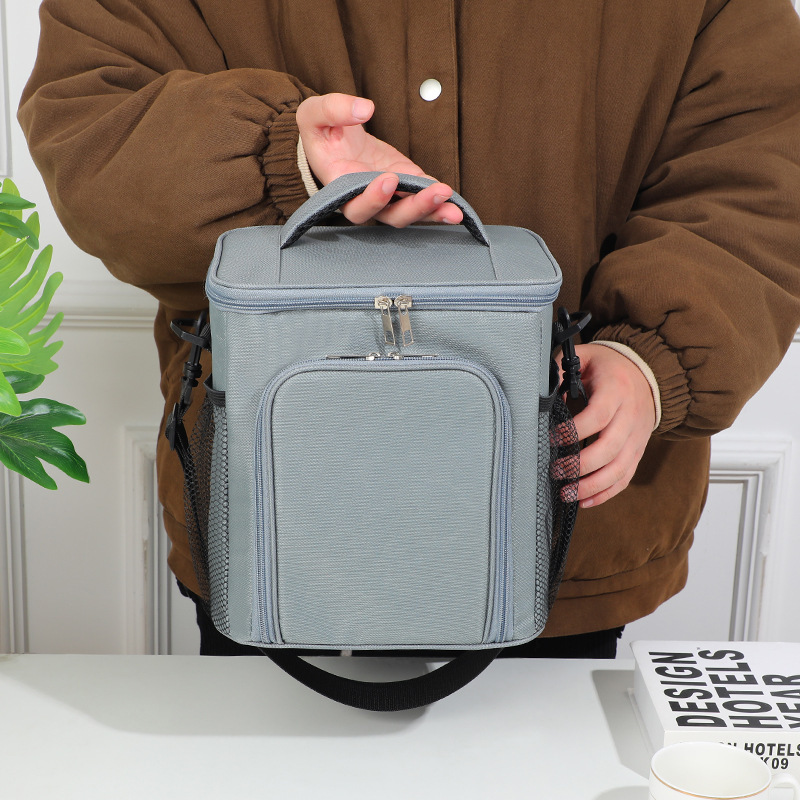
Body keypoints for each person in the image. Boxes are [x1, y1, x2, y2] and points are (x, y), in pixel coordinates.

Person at [18, 0, 800, 658]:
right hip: (274, 529)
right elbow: (89, 119)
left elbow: (761, 164)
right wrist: (279, 156)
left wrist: (649, 363)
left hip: (559, 530)